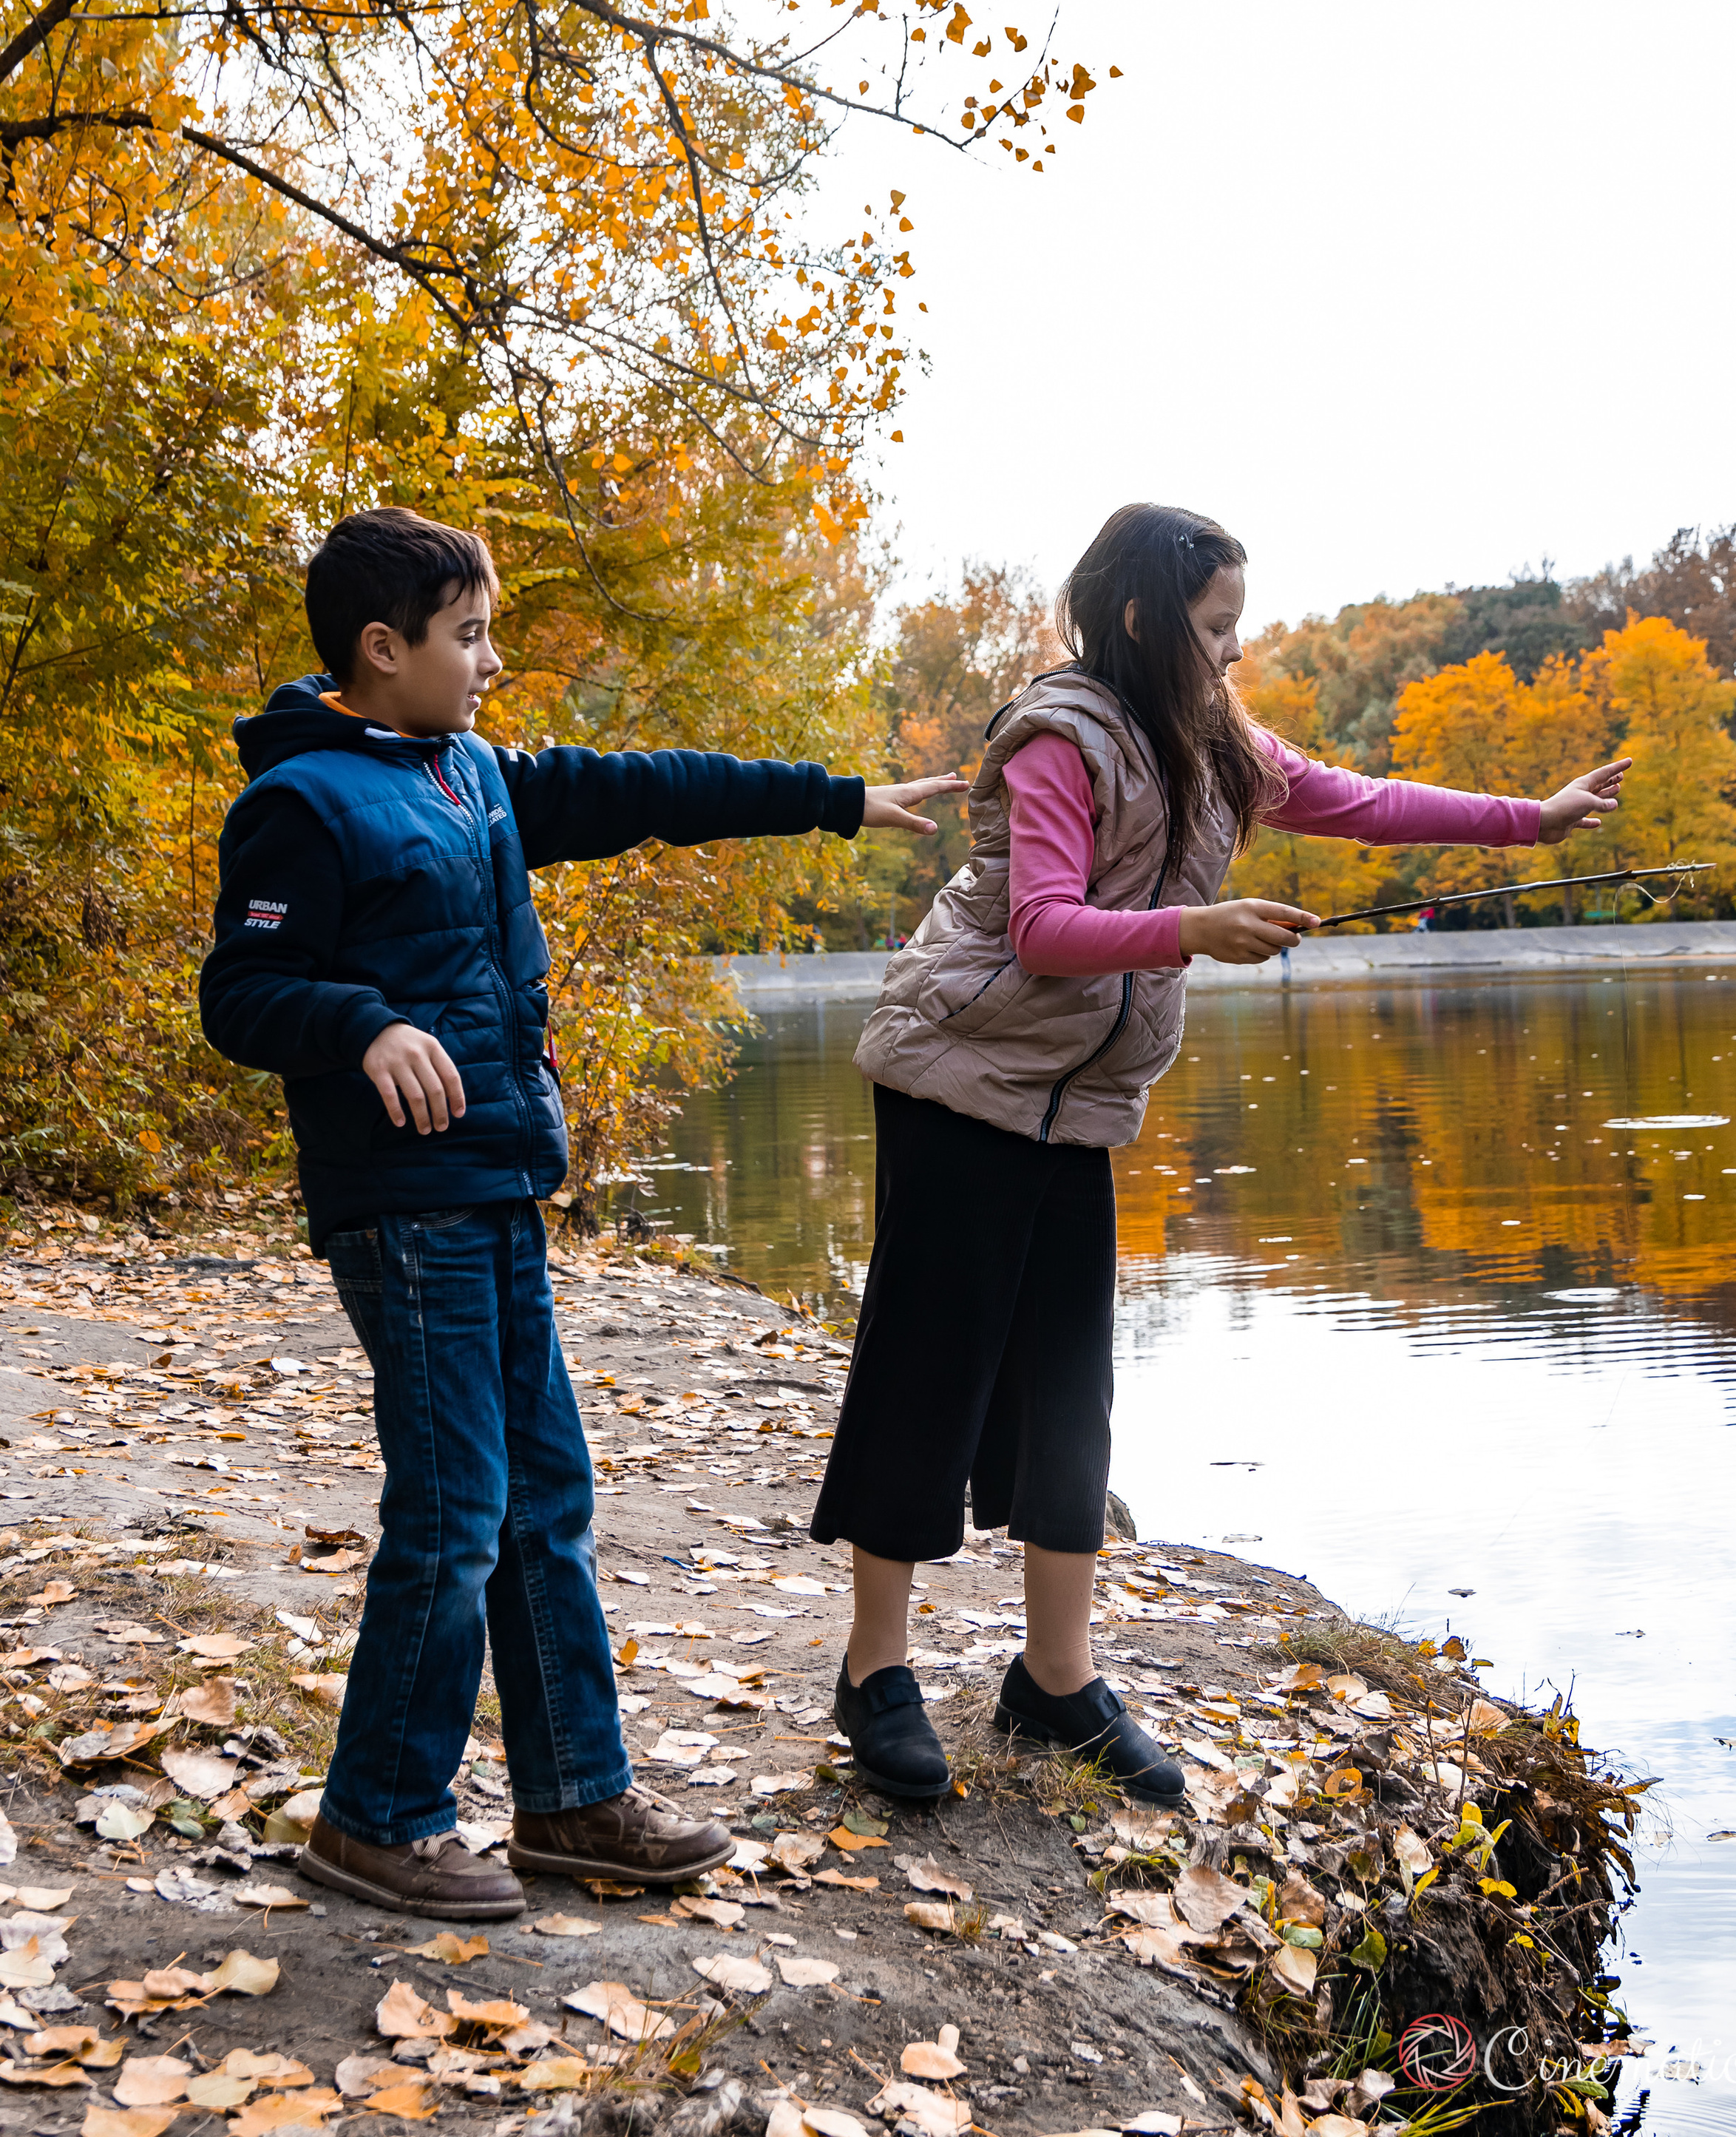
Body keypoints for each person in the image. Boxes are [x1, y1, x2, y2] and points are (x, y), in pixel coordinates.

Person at [199, 506, 960, 1922]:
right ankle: (377, 1817)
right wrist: (361, 1024)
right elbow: (239, 996)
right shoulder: (300, 804)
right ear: (383, 648)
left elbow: (647, 790)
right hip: (400, 1205)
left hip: (494, 1182)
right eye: (468, 635)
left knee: (548, 1494)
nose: (488, 661)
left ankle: (572, 1799)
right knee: (454, 1509)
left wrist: (836, 798)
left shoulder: (473, 774)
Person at [816, 503, 1629, 1805]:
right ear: (1143, 621)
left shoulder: (1214, 739)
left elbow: (1357, 801)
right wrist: (1194, 928)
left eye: (1238, 628)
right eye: (1216, 628)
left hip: (1075, 1103)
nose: (1234, 653)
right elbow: (1038, 930)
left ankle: (1056, 1684)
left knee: (1071, 1394)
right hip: (959, 1082)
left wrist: (1527, 820)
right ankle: (875, 1674)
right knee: (928, 1375)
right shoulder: (1055, 738)